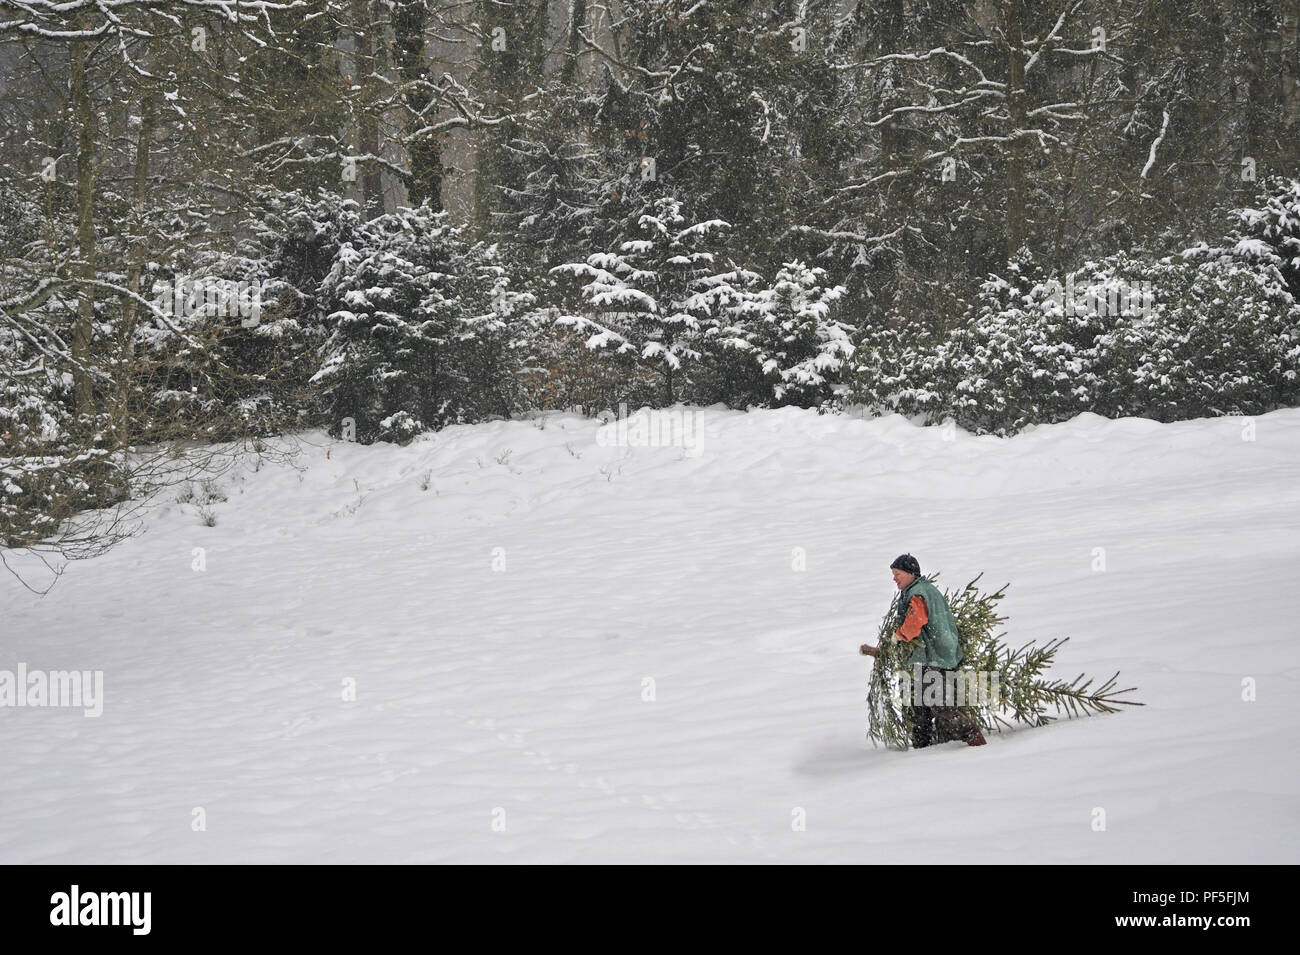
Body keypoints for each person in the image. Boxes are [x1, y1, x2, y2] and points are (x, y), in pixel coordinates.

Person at [860, 554, 987, 748]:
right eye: (893, 574)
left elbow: (914, 623)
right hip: (933, 656)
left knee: (938, 703)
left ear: (911, 573)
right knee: (918, 704)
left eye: (897, 573)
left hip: (938, 656)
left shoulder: (918, 593)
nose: (894, 578)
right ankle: (922, 747)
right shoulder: (919, 590)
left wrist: (899, 635)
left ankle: (974, 738)